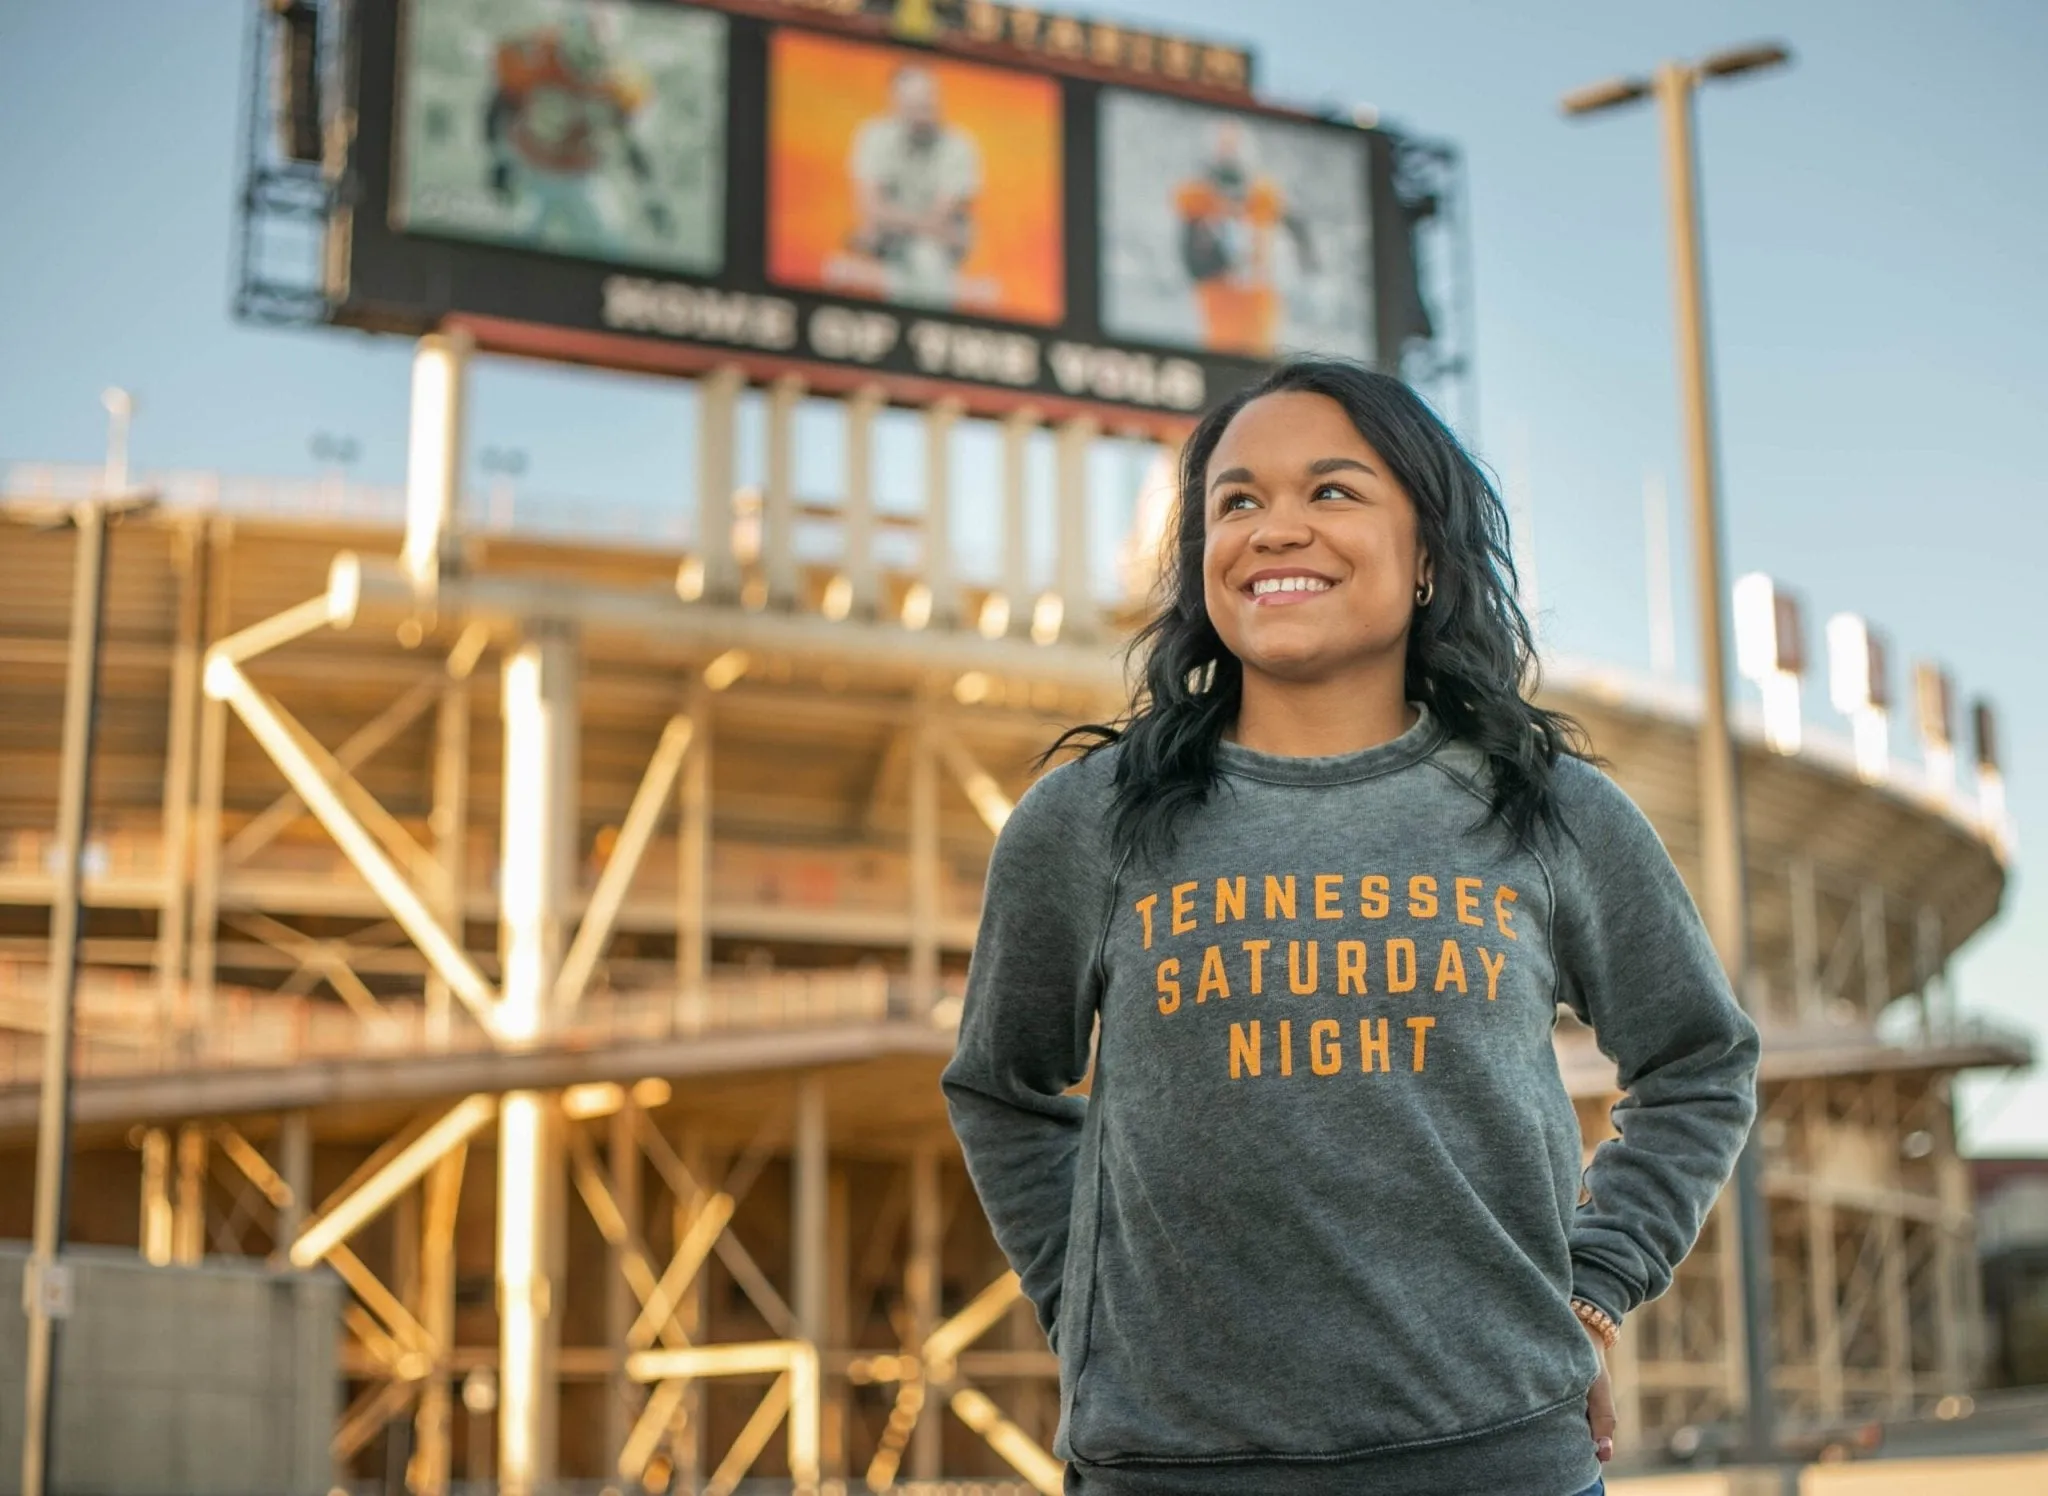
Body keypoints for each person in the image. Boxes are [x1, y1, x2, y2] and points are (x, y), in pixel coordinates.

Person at [943, 359, 1760, 1496]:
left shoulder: (1548, 809)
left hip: (1496, 1458)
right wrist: (1084, 1305)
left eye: (1330, 491)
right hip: (1170, 1470)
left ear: (1427, 553)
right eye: (1236, 501)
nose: (1275, 529)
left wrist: (1595, 1285)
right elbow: (1001, 1086)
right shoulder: (1089, 820)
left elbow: (1699, 1060)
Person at [831, 64, 991, 310]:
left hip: (938, 252)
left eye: (928, 101)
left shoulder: (959, 147)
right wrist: (888, 222)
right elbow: (870, 208)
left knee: (924, 257)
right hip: (884, 245)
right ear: (896, 104)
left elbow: (939, 218)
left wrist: (889, 218)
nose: (923, 111)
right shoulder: (874, 136)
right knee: (838, 269)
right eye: (914, 104)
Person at [1173, 120, 1316, 357]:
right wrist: (1216, 266)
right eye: (1224, 145)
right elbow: (1188, 253)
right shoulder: (1197, 197)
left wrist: (1306, 266)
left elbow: (1297, 229)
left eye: (1234, 145)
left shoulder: (1265, 195)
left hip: (1258, 295)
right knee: (1222, 356)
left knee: (1259, 360)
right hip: (1220, 295)